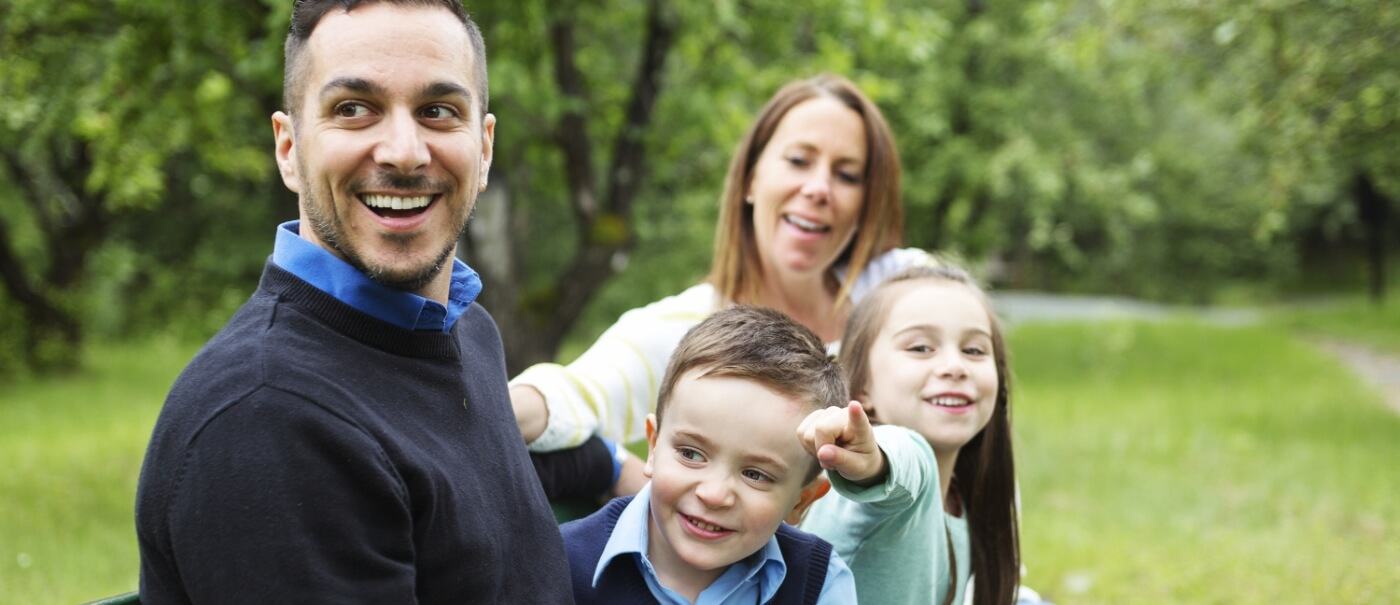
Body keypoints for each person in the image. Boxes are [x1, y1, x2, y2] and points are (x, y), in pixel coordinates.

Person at [134, 1, 571, 602]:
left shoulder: (467, 332)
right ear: (289, 148)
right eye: (354, 110)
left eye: (438, 111)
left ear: (485, 147)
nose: (403, 152)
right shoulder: (269, 419)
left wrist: (614, 469)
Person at [513, 74, 933, 465]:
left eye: (846, 175)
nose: (819, 188)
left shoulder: (902, 293)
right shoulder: (686, 326)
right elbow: (573, 396)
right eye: (799, 161)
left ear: (866, 203)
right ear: (752, 179)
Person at [560, 306, 858, 604]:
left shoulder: (819, 585)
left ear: (801, 501)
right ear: (653, 446)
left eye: (755, 475)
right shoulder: (561, 563)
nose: (714, 495)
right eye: (691, 454)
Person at [796, 265, 1021, 605]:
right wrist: (873, 461)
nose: (954, 366)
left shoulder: (961, 499)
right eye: (920, 348)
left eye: (974, 350)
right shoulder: (897, 463)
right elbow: (902, 458)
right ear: (863, 385)